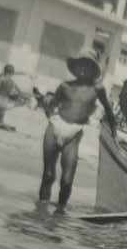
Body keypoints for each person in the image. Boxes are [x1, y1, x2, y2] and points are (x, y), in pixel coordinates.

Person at [39, 49, 117, 210]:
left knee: (67, 181)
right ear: (76, 67)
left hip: (74, 132)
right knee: (48, 175)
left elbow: (109, 110)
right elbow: (51, 105)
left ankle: (59, 214)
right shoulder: (65, 86)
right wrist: (47, 106)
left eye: (88, 65)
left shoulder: (97, 89)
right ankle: (40, 211)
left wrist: (114, 133)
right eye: (81, 65)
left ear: (93, 69)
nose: (83, 69)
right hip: (55, 126)